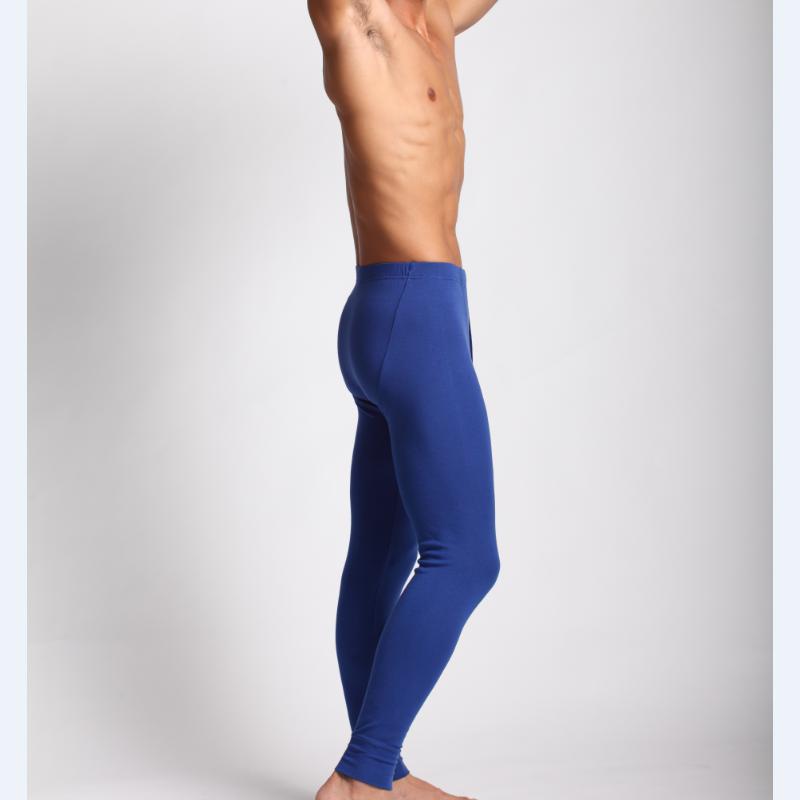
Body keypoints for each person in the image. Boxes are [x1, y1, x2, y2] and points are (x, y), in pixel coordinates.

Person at [307, 2, 501, 798]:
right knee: (467, 557)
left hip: (426, 311)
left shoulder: (438, 21)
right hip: (409, 315)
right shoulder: (362, 18)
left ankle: (384, 770)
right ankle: (359, 777)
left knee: (382, 556)